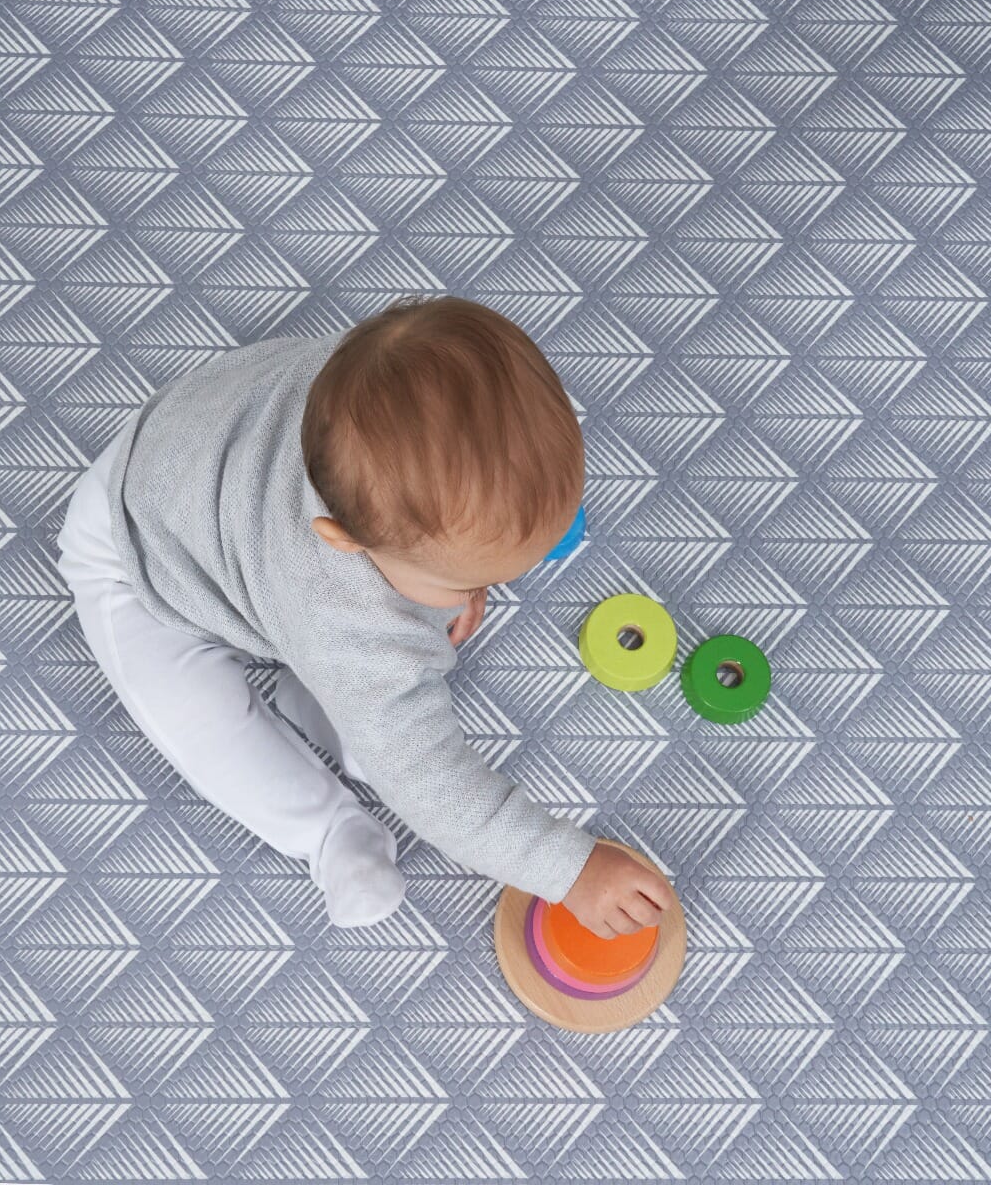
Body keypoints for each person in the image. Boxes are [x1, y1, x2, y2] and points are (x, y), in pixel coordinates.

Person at [55, 294, 674, 936]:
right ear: (344, 539)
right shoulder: (344, 612)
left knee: (375, 671)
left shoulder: (375, 385)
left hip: (212, 440)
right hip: (138, 551)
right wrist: (569, 868)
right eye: (469, 580)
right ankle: (327, 834)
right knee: (200, 721)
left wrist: (465, 573)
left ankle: (321, 698)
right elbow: (432, 784)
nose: (484, 591)